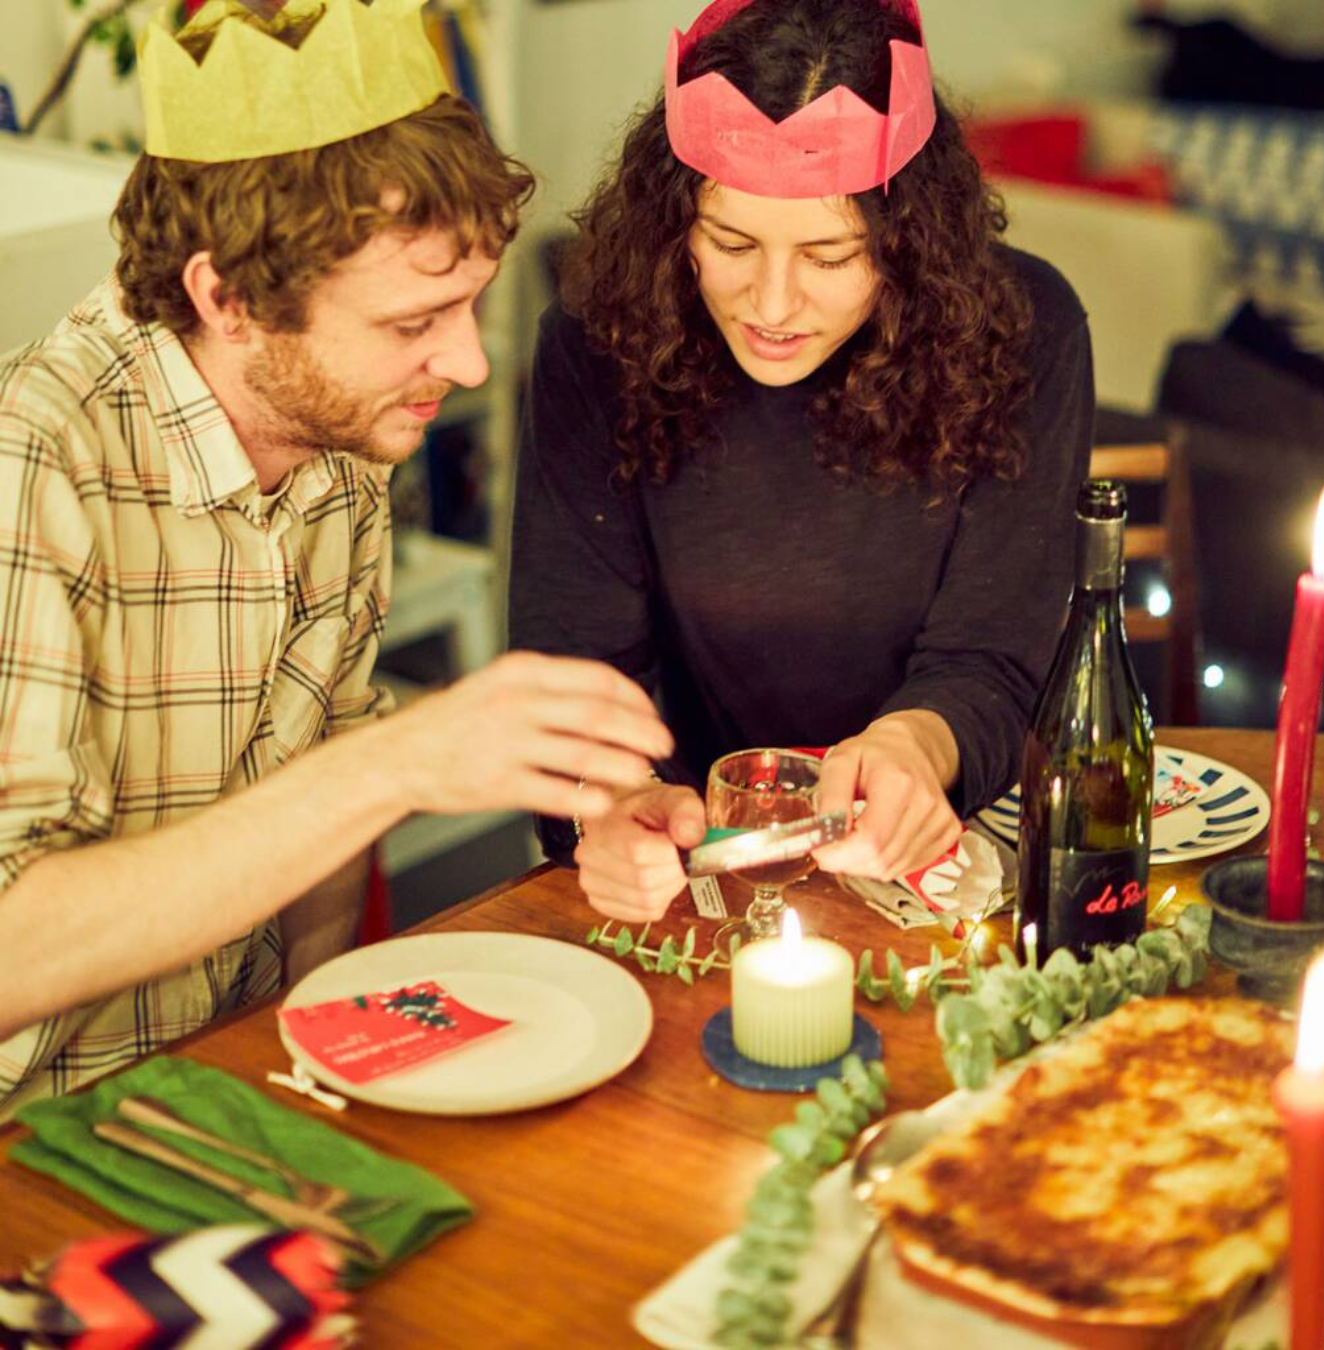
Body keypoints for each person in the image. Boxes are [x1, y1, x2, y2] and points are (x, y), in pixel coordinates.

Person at [0, 0, 672, 1117]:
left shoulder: (336, 436)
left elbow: (316, 837)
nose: (461, 359)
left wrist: (322, 1090)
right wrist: (395, 764)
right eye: (414, 322)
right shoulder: (35, 467)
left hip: (237, 1079)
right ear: (228, 301)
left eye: (468, 305)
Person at [510, 0, 1093, 924]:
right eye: (731, 243)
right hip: (685, 871)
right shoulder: (595, 342)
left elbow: (994, 654)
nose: (772, 303)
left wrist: (916, 746)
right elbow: (575, 670)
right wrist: (607, 803)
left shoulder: (1023, 331)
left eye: (830, 255)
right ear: (673, 224)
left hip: (937, 857)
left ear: (909, 245)